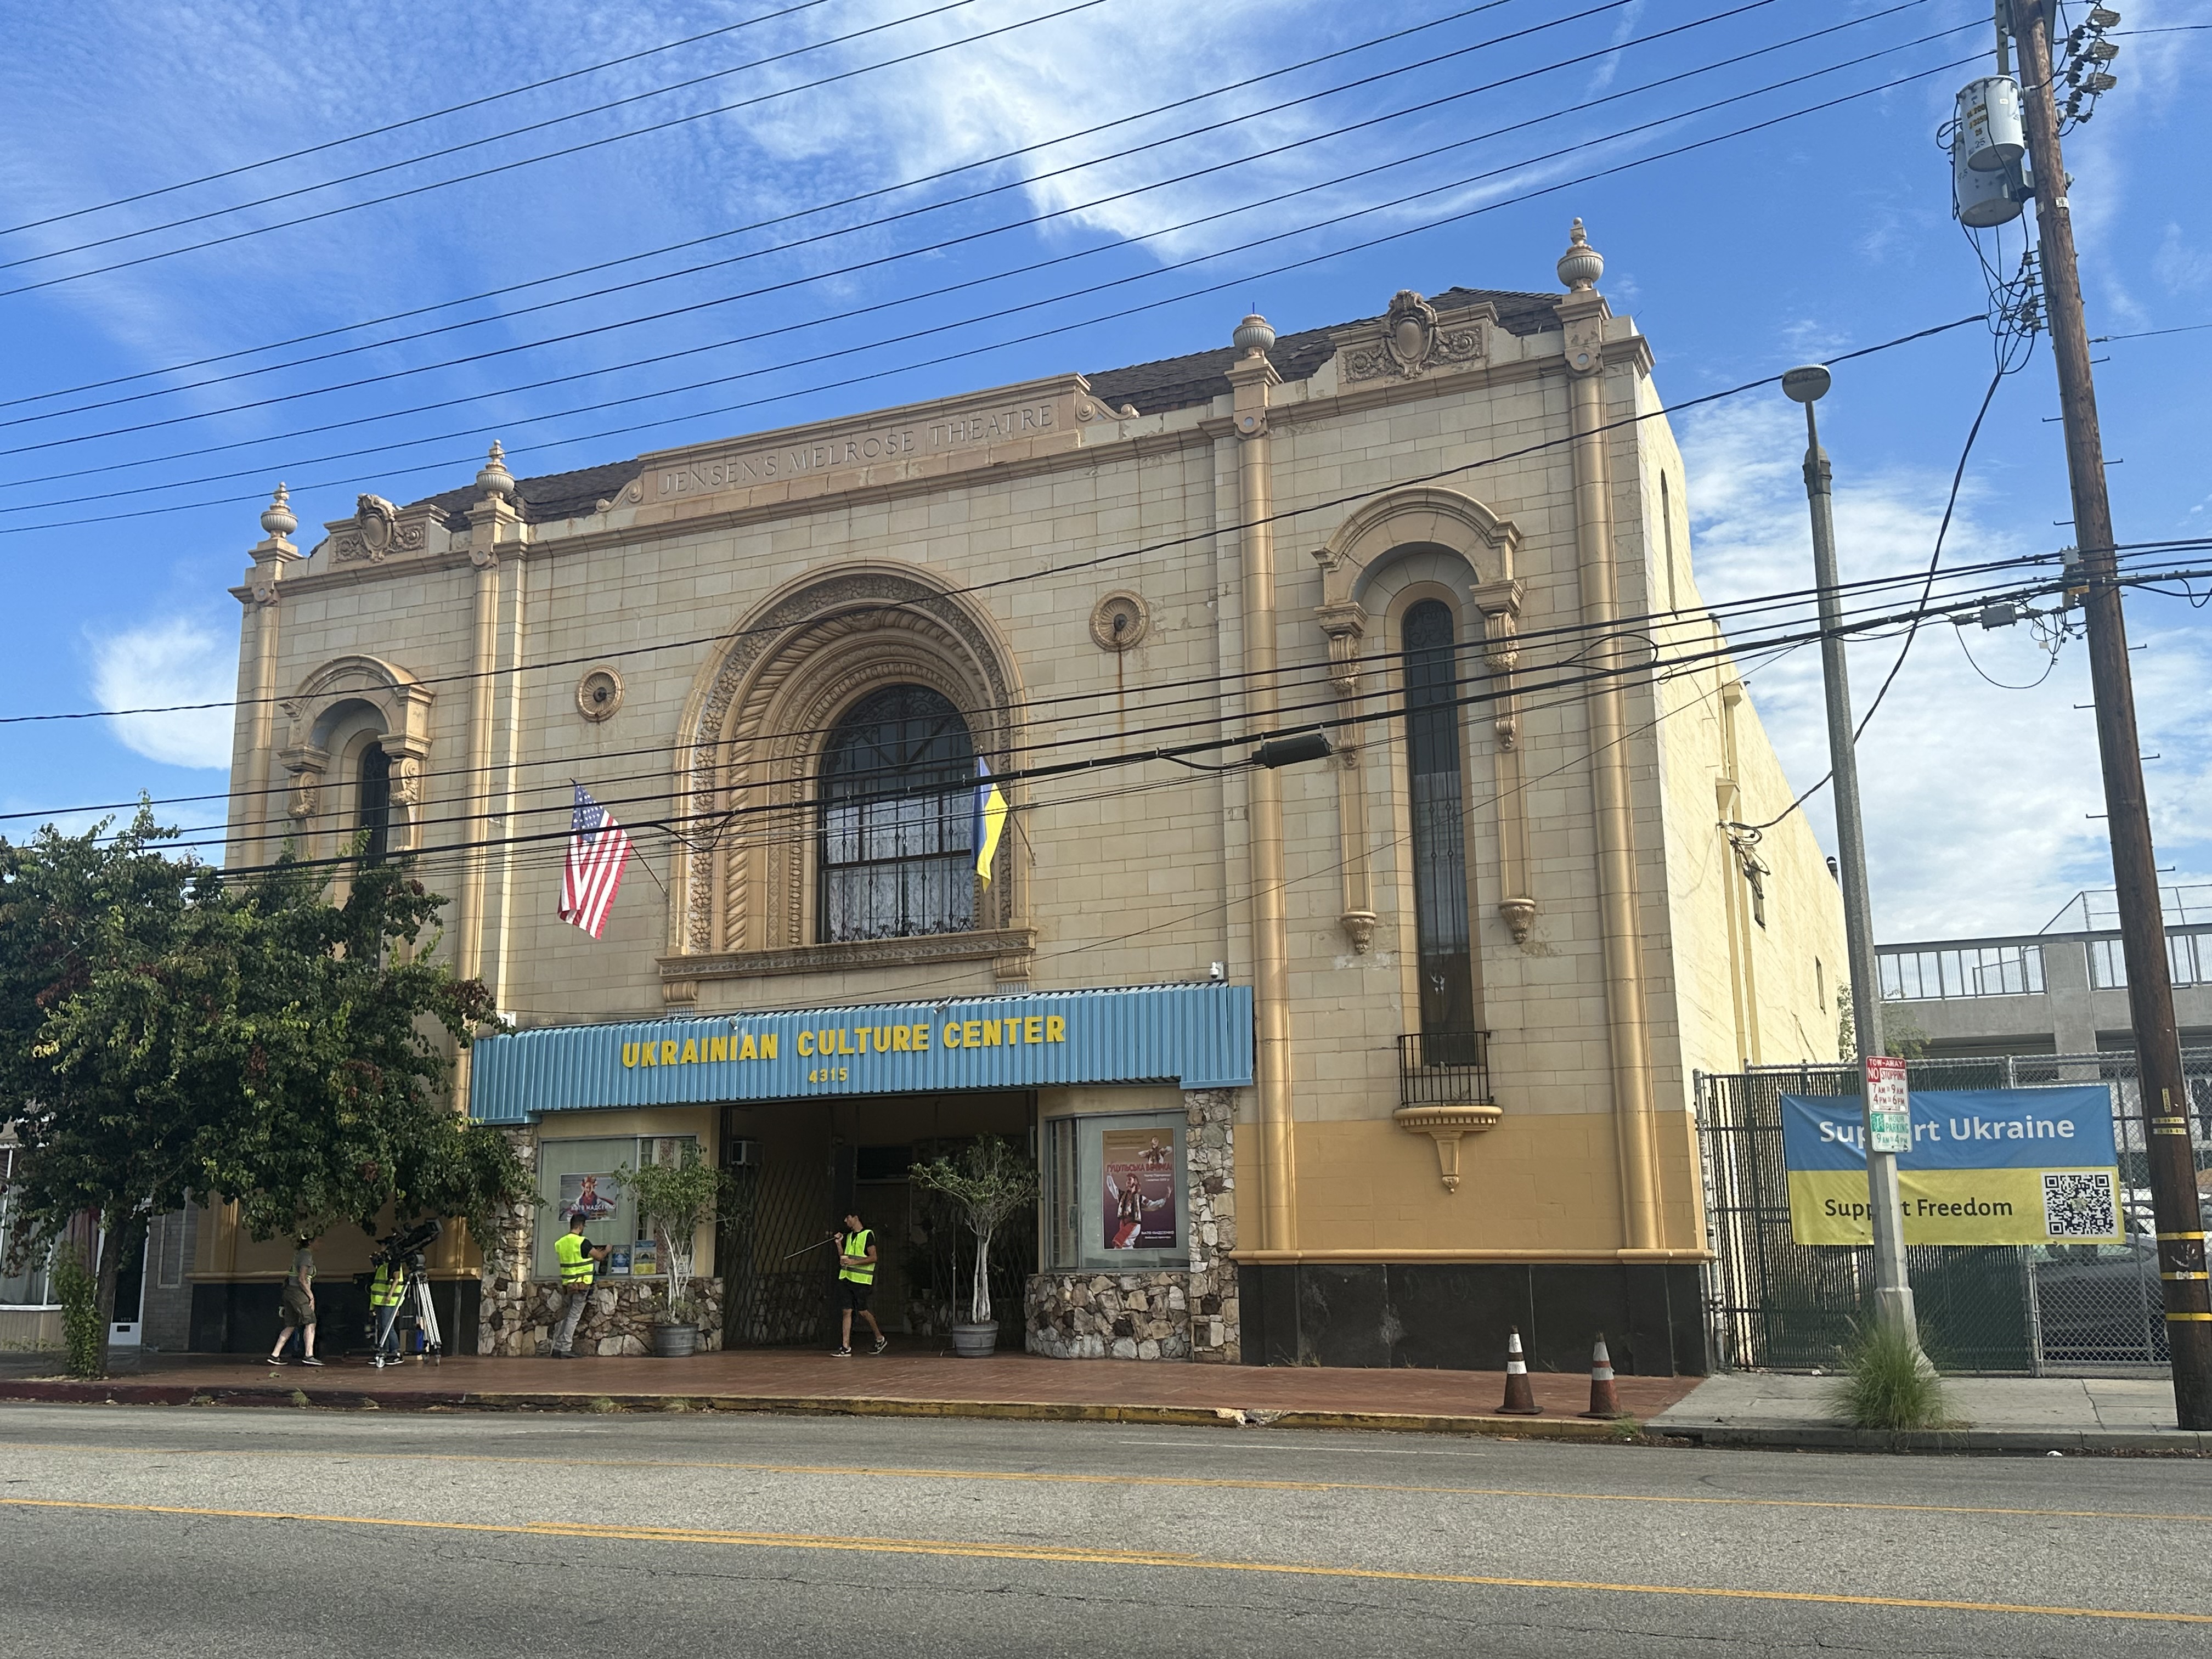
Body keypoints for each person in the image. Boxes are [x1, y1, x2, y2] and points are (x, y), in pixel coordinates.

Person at [551, 1211, 607, 1358]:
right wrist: (607, 1250)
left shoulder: (561, 1242)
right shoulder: (583, 1242)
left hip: (568, 1285)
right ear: (581, 1227)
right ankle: (565, 1347)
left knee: (568, 1316)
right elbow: (599, 1257)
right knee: (574, 1317)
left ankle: (558, 1347)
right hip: (582, 1285)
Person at [832, 1211, 886, 1357]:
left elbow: (874, 1257)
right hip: (847, 1278)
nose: (846, 1221)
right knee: (847, 1311)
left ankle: (879, 1338)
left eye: (848, 1218)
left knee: (863, 1311)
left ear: (856, 1218)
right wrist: (838, 1244)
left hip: (861, 1280)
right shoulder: (849, 1236)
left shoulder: (868, 1235)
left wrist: (854, 1262)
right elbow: (844, 1257)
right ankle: (845, 1347)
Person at [267, 1237, 320, 1367]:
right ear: (310, 1242)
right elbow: (302, 1279)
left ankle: (275, 1355)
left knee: (291, 1324)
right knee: (311, 1321)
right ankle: (309, 1355)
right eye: (318, 1241)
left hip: (289, 1291)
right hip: (298, 1293)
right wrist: (311, 1296)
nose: (320, 1244)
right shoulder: (306, 1255)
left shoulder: (299, 1254)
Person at [368, 1248, 408, 1368]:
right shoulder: (384, 1263)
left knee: (387, 1327)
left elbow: (396, 1279)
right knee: (382, 1327)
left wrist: (390, 1295)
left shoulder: (394, 1262)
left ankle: (396, 1352)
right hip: (380, 1300)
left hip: (389, 1301)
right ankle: (383, 1352)